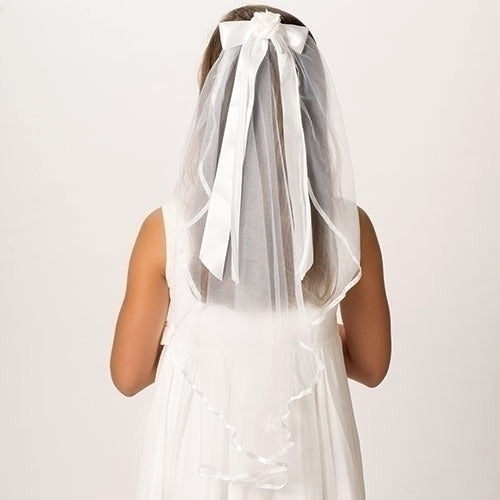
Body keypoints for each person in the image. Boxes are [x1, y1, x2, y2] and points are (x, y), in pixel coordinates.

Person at [110, 5, 391, 499]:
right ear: (310, 102)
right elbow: (371, 365)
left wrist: (202, 345)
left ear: (214, 99)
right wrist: (305, 344)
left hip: (198, 470)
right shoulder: (349, 230)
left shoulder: (167, 232)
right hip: (309, 468)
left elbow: (129, 375)